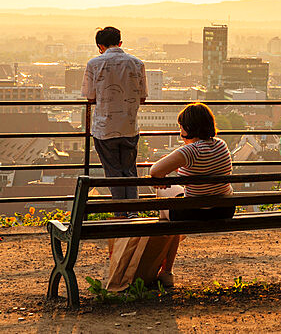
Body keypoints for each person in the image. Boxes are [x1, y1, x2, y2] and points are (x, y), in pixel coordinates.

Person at [148, 102, 235, 288]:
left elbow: (155, 170)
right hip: (223, 210)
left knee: (162, 197)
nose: (180, 131)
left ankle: (166, 270)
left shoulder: (190, 151)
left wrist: (162, 180)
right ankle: (168, 261)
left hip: (195, 213)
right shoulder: (221, 145)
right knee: (174, 198)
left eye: (181, 127)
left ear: (188, 128)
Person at [82, 26, 148, 204]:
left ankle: (120, 212)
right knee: (130, 171)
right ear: (120, 43)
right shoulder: (137, 63)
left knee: (113, 172)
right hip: (130, 127)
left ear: (100, 46)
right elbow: (142, 98)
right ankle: (132, 213)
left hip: (105, 129)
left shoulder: (94, 64)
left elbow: (90, 97)